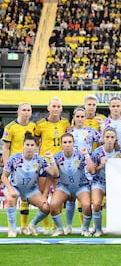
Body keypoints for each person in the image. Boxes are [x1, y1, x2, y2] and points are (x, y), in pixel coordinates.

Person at [1, 132, 58, 237]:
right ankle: (12, 230)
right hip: (15, 187)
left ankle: (32, 225)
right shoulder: (14, 158)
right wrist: (10, 189)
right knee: (11, 199)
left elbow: (54, 173)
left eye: (32, 145)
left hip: (31, 190)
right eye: (27, 145)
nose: (30, 147)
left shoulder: (40, 160)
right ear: (23, 145)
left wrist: (52, 159)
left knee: (46, 207)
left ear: (36, 147)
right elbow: (4, 177)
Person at [34, 97, 70, 234]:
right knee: (43, 195)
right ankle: (45, 226)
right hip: (45, 163)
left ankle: (56, 227)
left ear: (61, 109)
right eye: (53, 106)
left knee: (58, 196)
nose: (56, 109)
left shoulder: (65, 123)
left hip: (60, 163)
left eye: (58, 106)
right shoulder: (40, 125)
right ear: (48, 108)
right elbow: (37, 141)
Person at [49, 133, 94, 237]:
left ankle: (85, 229)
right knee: (53, 205)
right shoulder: (57, 157)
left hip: (81, 185)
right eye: (65, 142)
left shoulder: (80, 155)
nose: (67, 144)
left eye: (70, 142)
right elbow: (54, 174)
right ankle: (60, 229)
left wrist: (87, 155)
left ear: (73, 143)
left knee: (87, 205)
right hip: (64, 186)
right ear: (61, 144)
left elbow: (91, 170)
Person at [88, 127, 121, 237]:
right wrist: (101, 165)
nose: (110, 140)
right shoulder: (97, 152)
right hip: (100, 181)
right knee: (96, 204)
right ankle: (98, 229)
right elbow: (93, 171)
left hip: (116, 182)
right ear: (102, 138)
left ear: (116, 139)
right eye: (107, 137)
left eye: (112, 137)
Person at [2, 103, 36, 233]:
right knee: (12, 196)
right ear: (18, 111)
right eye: (24, 110)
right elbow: (5, 148)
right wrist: (7, 166)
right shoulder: (10, 127)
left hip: (28, 167)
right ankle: (12, 228)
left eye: (28, 110)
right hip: (14, 167)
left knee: (24, 197)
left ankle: (23, 226)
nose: (26, 112)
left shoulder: (33, 126)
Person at [66, 107, 101, 234]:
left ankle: (88, 226)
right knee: (71, 196)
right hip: (71, 167)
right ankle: (69, 226)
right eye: (78, 116)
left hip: (87, 167)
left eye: (82, 116)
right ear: (73, 118)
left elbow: (104, 141)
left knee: (87, 196)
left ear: (85, 118)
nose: (80, 119)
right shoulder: (68, 131)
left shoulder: (92, 132)